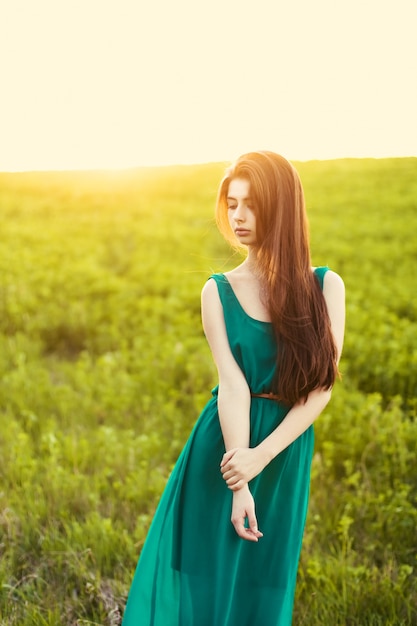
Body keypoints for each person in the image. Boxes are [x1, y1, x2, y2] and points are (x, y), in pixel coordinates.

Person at [122, 151, 345, 625]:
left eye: (251, 204)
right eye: (232, 203)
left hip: (282, 450)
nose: (238, 216)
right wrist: (239, 477)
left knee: (266, 581)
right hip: (224, 450)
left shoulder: (325, 288)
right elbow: (233, 385)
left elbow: (319, 390)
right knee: (209, 578)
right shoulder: (218, 290)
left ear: (282, 208)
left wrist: (261, 457)